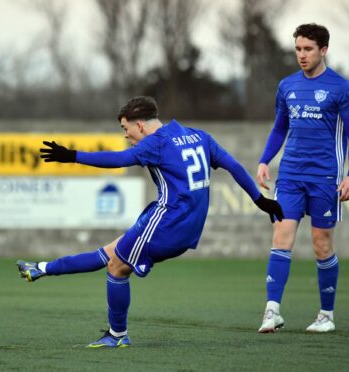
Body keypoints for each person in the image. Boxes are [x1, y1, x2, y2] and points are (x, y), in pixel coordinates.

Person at [17, 96, 284, 348]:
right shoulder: (198, 136)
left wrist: (72, 156)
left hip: (167, 221)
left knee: (117, 267)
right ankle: (42, 268)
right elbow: (234, 166)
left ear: (140, 125)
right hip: (187, 224)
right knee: (109, 253)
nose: (125, 135)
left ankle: (117, 335)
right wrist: (260, 200)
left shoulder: (155, 142)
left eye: (125, 128)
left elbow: (119, 159)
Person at [256, 23, 349, 333]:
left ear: (323, 50)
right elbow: (280, 128)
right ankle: (272, 311)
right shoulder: (287, 86)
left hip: (325, 177)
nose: (302, 55)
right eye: (298, 49)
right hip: (291, 175)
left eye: (308, 49)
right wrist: (264, 160)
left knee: (322, 245)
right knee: (281, 237)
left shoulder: (340, 88)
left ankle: (326, 315)